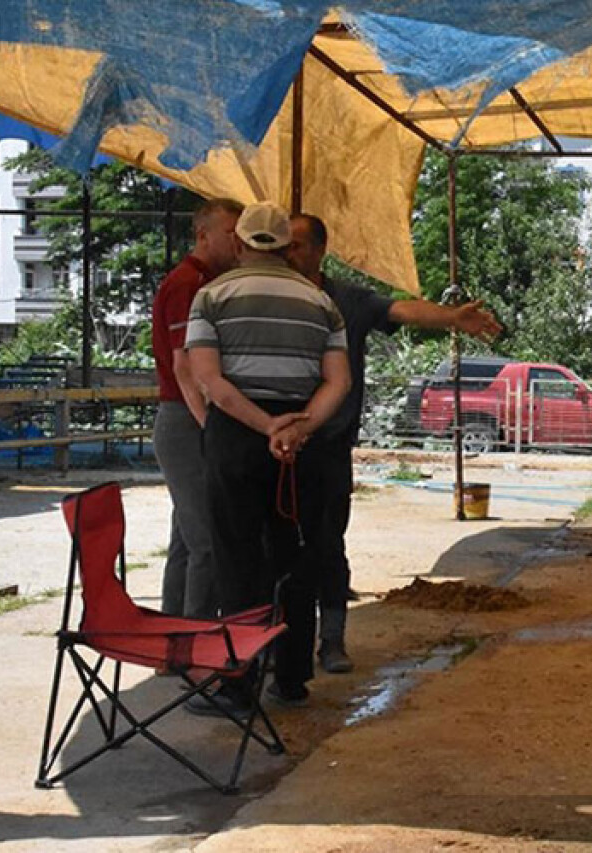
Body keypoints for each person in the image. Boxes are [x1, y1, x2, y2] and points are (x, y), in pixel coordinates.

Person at [284, 213, 501, 673]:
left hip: (327, 446)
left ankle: (332, 641)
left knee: (327, 543)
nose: (289, 252)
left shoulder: (346, 300)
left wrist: (452, 319)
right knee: (277, 548)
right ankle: (276, 648)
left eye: (298, 244)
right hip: (275, 446)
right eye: (284, 243)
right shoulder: (270, 296)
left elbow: (400, 310)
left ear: (321, 251)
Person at [185, 202, 351, 711]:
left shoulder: (211, 297)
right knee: (296, 555)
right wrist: (299, 426)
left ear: (238, 243)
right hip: (301, 445)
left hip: (238, 437)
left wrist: (264, 427)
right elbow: (338, 381)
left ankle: (238, 682)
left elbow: (209, 380)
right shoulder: (320, 302)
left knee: (237, 558)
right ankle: (293, 675)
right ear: (284, 246)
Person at [150, 198, 243, 618]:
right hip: (187, 419)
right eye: (231, 232)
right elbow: (184, 367)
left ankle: (174, 640)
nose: (238, 241)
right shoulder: (187, 284)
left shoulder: (209, 283)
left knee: (187, 539)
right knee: (207, 539)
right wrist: (211, 428)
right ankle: (198, 645)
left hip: (190, 418)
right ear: (203, 234)